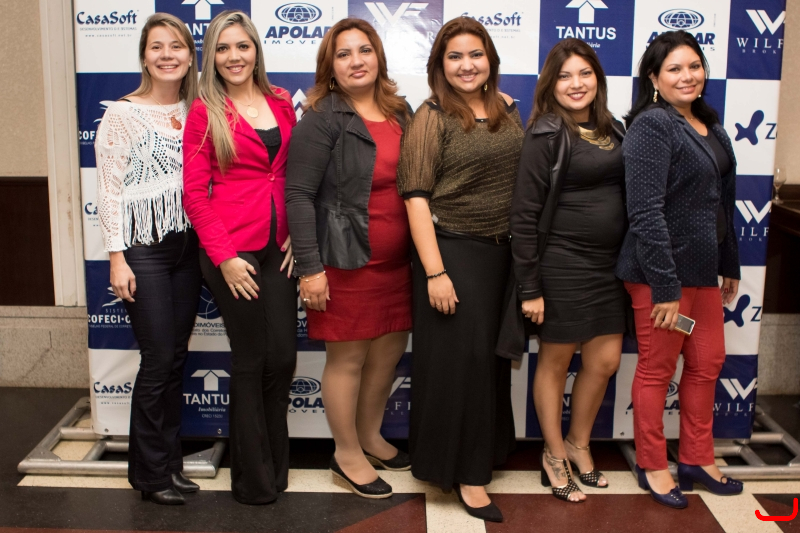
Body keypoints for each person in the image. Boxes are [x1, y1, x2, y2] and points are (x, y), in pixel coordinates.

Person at [397, 16, 523, 523]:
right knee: (460, 368)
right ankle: (466, 476)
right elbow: (415, 198)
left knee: (489, 364)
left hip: (502, 258)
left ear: (490, 59)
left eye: (475, 55)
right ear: (440, 65)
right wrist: (435, 272)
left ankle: (484, 453)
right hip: (451, 253)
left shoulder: (509, 109)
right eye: (455, 57)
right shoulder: (431, 116)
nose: (466, 65)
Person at [285, 18, 412, 500]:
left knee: (387, 355)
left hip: (398, 265)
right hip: (344, 262)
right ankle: (346, 453)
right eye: (344, 54)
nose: (356, 61)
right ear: (330, 66)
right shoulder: (321, 118)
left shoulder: (401, 112)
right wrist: (310, 268)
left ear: (379, 56)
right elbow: (298, 196)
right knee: (349, 359)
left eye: (364, 50)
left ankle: (371, 436)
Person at [620, 30, 743, 509]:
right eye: (674, 68)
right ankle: (653, 465)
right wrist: (665, 286)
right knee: (657, 368)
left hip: (703, 271)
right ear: (654, 78)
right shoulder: (652, 125)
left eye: (694, 65)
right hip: (660, 276)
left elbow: (722, 204)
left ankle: (696, 459)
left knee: (708, 361)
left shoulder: (710, 125)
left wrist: (729, 263)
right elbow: (645, 212)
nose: (687, 76)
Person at [182, 10, 297, 505]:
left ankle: (275, 464)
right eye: (224, 48)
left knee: (284, 357)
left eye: (242, 46)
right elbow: (194, 193)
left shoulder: (281, 101)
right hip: (233, 250)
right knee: (252, 359)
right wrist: (224, 257)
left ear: (256, 50)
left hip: (280, 247)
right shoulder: (204, 111)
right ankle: (252, 480)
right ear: (212, 56)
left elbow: (294, 174)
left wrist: (299, 235)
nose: (234, 57)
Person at [511, 38, 626, 503]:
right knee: (556, 362)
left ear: (597, 78)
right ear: (550, 84)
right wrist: (530, 286)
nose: (576, 84)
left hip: (609, 268)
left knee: (605, 361)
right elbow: (523, 215)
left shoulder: (615, 128)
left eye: (584, 73)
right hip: (561, 265)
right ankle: (554, 454)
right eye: (564, 76)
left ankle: (579, 443)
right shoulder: (545, 133)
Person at [95, 13, 201, 505]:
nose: (167, 55)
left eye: (176, 46)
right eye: (157, 47)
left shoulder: (196, 109)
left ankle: (169, 464)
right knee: (158, 359)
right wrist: (117, 258)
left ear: (189, 57)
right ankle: (150, 475)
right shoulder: (122, 114)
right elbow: (109, 192)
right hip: (144, 249)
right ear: (144, 57)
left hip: (188, 247)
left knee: (176, 358)